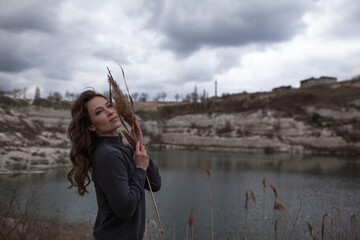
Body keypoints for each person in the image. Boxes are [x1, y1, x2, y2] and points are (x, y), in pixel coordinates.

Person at [67, 90, 161, 240]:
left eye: (109, 106)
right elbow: (125, 209)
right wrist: (140, 169)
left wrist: (140, 146)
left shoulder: (122, 148)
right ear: (91, 126)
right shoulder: (108, 154)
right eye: (99, 112)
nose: (109, 112)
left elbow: (154, 185)